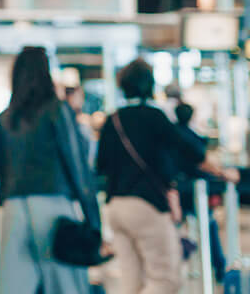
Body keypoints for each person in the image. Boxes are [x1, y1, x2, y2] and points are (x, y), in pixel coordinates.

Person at [96, 59, 238, 294]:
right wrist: (222, 172)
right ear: (150, 85)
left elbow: (100, 165)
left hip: (116, 206)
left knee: (131, 282)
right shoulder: (154, 116)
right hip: (147, 205)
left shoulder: (114, 119)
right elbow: (189, 150)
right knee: (165, 279)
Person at [0, 47, 96, 294]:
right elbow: (76, 166)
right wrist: (93, 220)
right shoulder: (57, 110)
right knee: (66, 286)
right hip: (53, 208)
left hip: (12, 210)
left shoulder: (3, 120)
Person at [172, 103, 226, 282]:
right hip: (193, 189)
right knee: (208, 225)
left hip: (177, 189)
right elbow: (200, 159)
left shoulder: (173, 133)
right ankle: (219, 266)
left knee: (177, 228)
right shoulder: (189, 136)